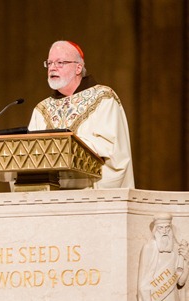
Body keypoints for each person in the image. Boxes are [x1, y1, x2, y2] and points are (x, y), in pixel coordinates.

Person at [28, 40, 134, 188]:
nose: (52, 68)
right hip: (50, 199)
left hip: (90, 196)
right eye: (49, 63)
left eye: (60, 63)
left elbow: (114, 152)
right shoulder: (41, 109)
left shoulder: (103, 98)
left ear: (78, 68)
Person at [137, 213, 189, 301]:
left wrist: (187, 261)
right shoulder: (148, 248)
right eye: (161, 227)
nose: (164, 231)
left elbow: (181, 281)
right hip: (155, 297)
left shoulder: (176, 248)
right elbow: (143, 282)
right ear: (155, 230)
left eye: (167, 227)